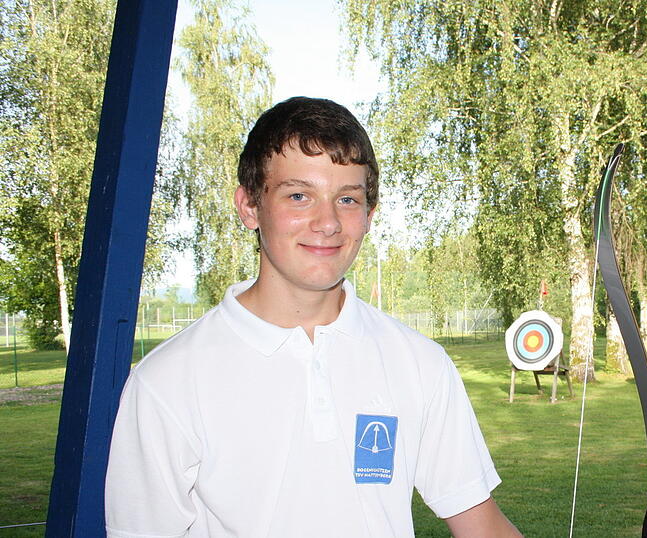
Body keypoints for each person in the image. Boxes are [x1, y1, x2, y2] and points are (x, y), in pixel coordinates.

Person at [105, 97, 521, 537]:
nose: (327, 222)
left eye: (346, 199)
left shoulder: (420, 362)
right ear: (249, 206)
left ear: (368, 216)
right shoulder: (168, 381)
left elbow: (482, 525)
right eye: (299, 196)